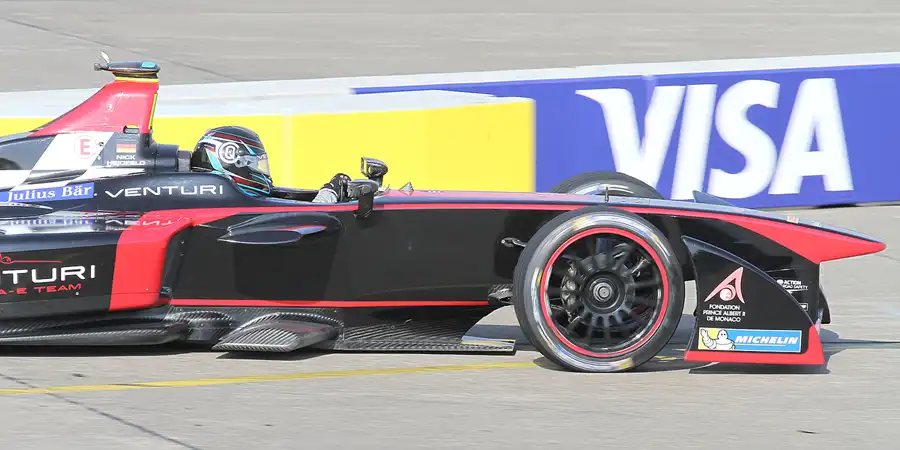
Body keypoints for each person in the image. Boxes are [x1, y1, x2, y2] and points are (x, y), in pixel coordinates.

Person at [190, 125, 350, 203]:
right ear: (233, 161)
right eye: (252, 164)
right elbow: (312, 215)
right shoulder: (228, 206)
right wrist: (330, 192)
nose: (259, 170)